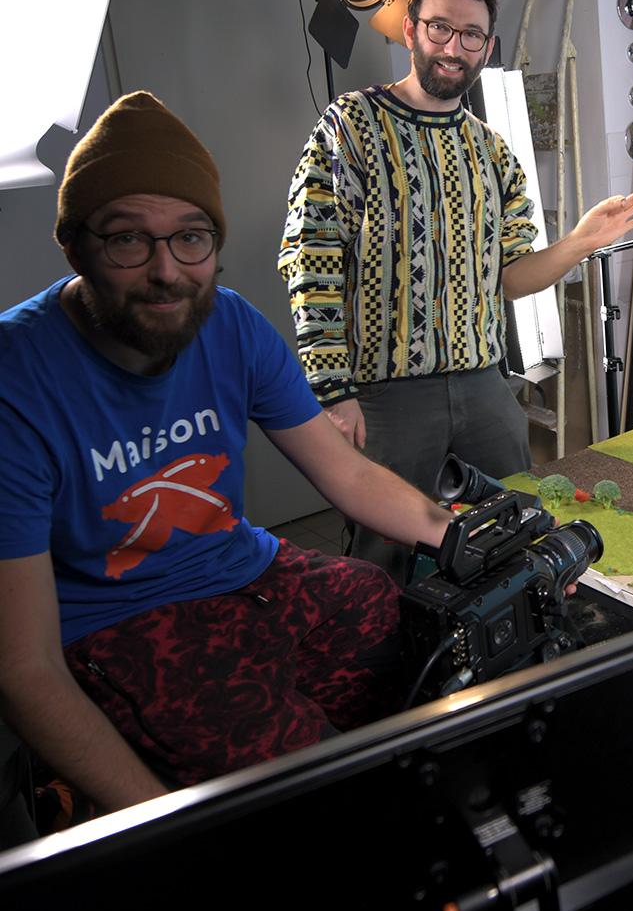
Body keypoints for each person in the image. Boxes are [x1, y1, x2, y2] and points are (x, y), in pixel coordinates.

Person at [0, 91, 453, 825]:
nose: (167, 271)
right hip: (118, 618)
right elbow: (22, 669)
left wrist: (460, 537)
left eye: (191, 238)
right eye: (127, 239)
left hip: (242, 568)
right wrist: (164, 824)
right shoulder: (14, 379)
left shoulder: (232, 324)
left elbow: (345, 472)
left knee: (378, 603)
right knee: (299, 769)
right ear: (75, 247)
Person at [279, 0, 633, 578]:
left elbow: (512, 277)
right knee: (385, 558)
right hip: (386, 395)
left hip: (484, 385)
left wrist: (581, 241)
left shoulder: (493, 151)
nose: (454, 47)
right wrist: (332, 392)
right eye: (440, 28)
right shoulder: (350, 126)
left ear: (488, 46)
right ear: (410, 30)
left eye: (471, 35)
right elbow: (311, 261)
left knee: (514, 536)